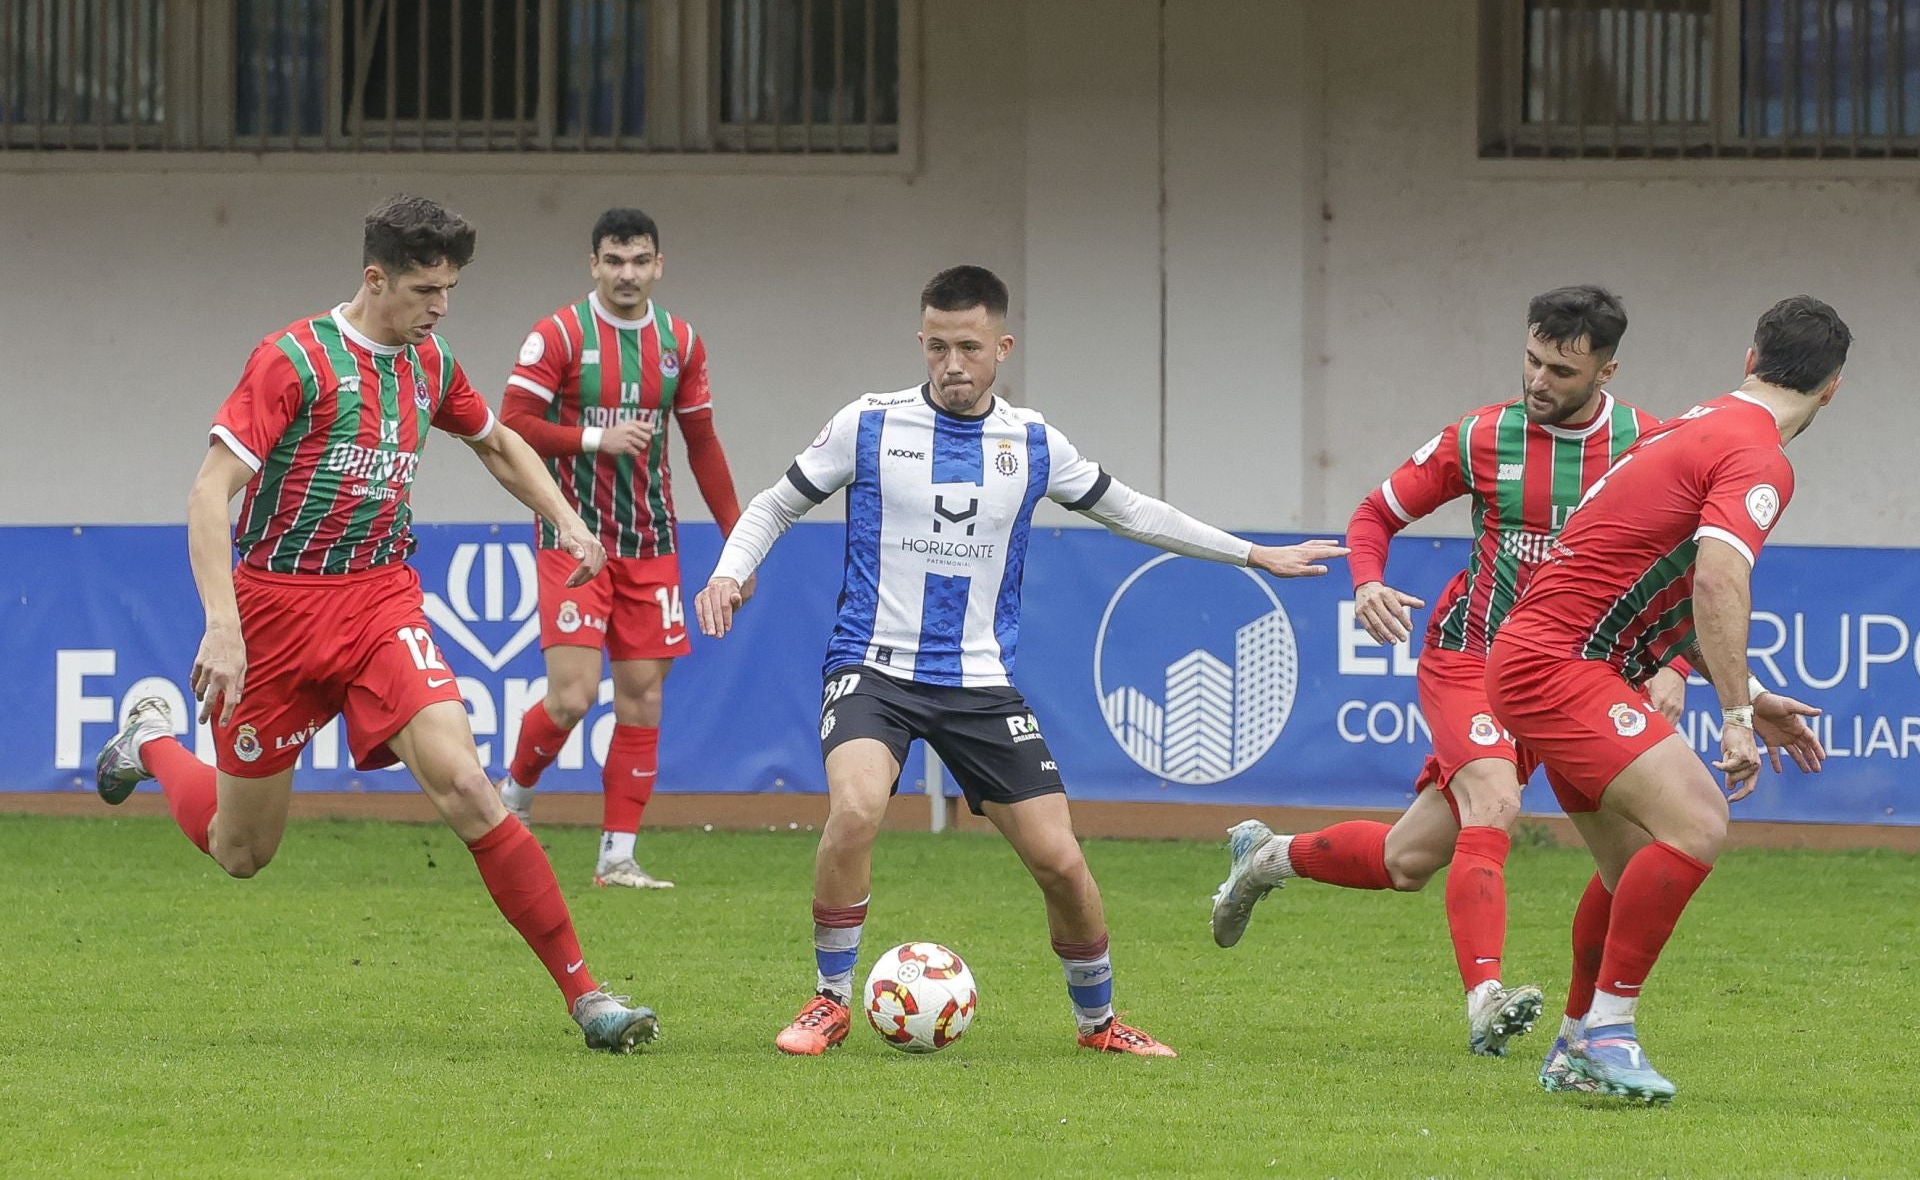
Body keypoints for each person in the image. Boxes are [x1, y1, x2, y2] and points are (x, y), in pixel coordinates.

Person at [693, 265, 1347, 1059]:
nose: (952, 364)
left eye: (969, 346)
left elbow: (1133, 511)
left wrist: (1254, 556)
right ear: (922, 343)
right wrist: (730, 569)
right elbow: (775, 503)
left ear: (1002, 346)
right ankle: (829, 1000)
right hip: (873, 669)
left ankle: (1098, 1026)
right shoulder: (868, 424)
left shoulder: (1033, 443)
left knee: (1063, 864)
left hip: (978, 684)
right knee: (856, 811)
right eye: (937, 346)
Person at [93, 195, 658, 1054]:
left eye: (450, 289)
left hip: (378, 602)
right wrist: (223, 624)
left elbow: (500, 443)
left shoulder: (430, 362)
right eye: (427, 289)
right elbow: (210, 491)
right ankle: (153, 743)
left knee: (468, 785)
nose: (440, 307)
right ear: (374, 278)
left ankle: (589, 998)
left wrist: (567, 520)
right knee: (240, 851)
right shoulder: (294, 361)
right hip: (275, 612)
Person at [1209, 286, 1685, 1063]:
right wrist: (1366, 580)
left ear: (1606, 369)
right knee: (1494, 800)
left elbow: (1686, 556)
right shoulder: (1483, 436)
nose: (1538, 381)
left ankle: (1265, 858)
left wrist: (1674, 658)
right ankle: (1486, 1001)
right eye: (1531, 360)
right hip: (1474, 657)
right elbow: (1374, 514)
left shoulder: (1649, 445)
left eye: (1561, 372)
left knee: (1409, 861)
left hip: (1573, 675)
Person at [1486, 295, 1845, 1102]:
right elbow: (1718, 579)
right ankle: (1609, 1035)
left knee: (1625, 867)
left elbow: (1656, 581)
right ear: (1832, 390)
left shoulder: (1697, 422)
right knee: (1698, 822)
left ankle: (1577, 1043)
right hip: (1562, 664)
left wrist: (1746, 687)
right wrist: (1735, 717)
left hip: (1553, 659)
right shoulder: (1758, 456)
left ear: (1750, 360)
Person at [494, 207, 745, 890]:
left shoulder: (681, 343)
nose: (627, 274)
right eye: (614, 260)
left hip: (651, 544)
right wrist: (592, 439)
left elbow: (702, 443)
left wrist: (738, 539)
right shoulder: (558, 335)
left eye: (640, 261)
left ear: (658, 265)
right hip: (573, 538)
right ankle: (513, 793)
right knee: (571, 696)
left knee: (642, 701)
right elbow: (511, 424)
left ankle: (617, 857)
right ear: (594, 264)